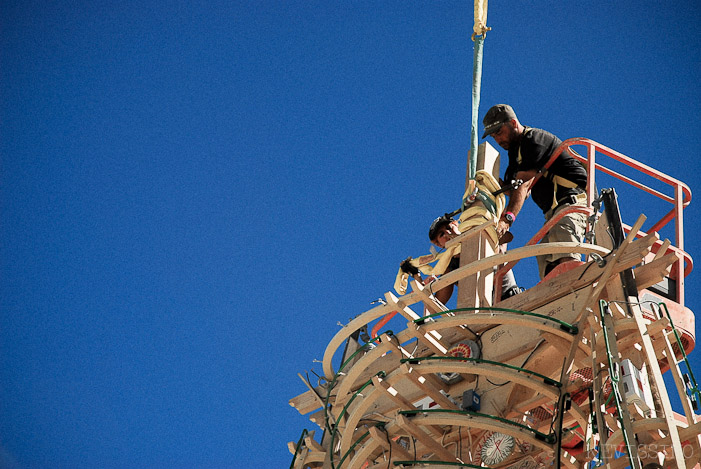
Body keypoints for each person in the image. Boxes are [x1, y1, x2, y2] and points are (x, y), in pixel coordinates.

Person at [482, 104, 589, 278]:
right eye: (494, 136)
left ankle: (577, 287)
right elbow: (513, 189)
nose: (498, 139)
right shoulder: (515, 153)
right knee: (546, 260)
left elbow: (523, 186)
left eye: (499, 132)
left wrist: (507, 220)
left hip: (573, 202)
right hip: (555, 212)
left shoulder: (533, 140)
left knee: (565, 257)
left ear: (514, 123)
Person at [426, 215, 520, 304]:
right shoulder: (450, 266)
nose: (447, 232)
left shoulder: (484, 233)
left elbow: (503, 232)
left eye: (448, 227)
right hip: (486, 314)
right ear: (439, 244)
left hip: (511, 300)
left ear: (456, 224)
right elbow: (437, 303)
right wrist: (416, 275)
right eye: (442, 234)